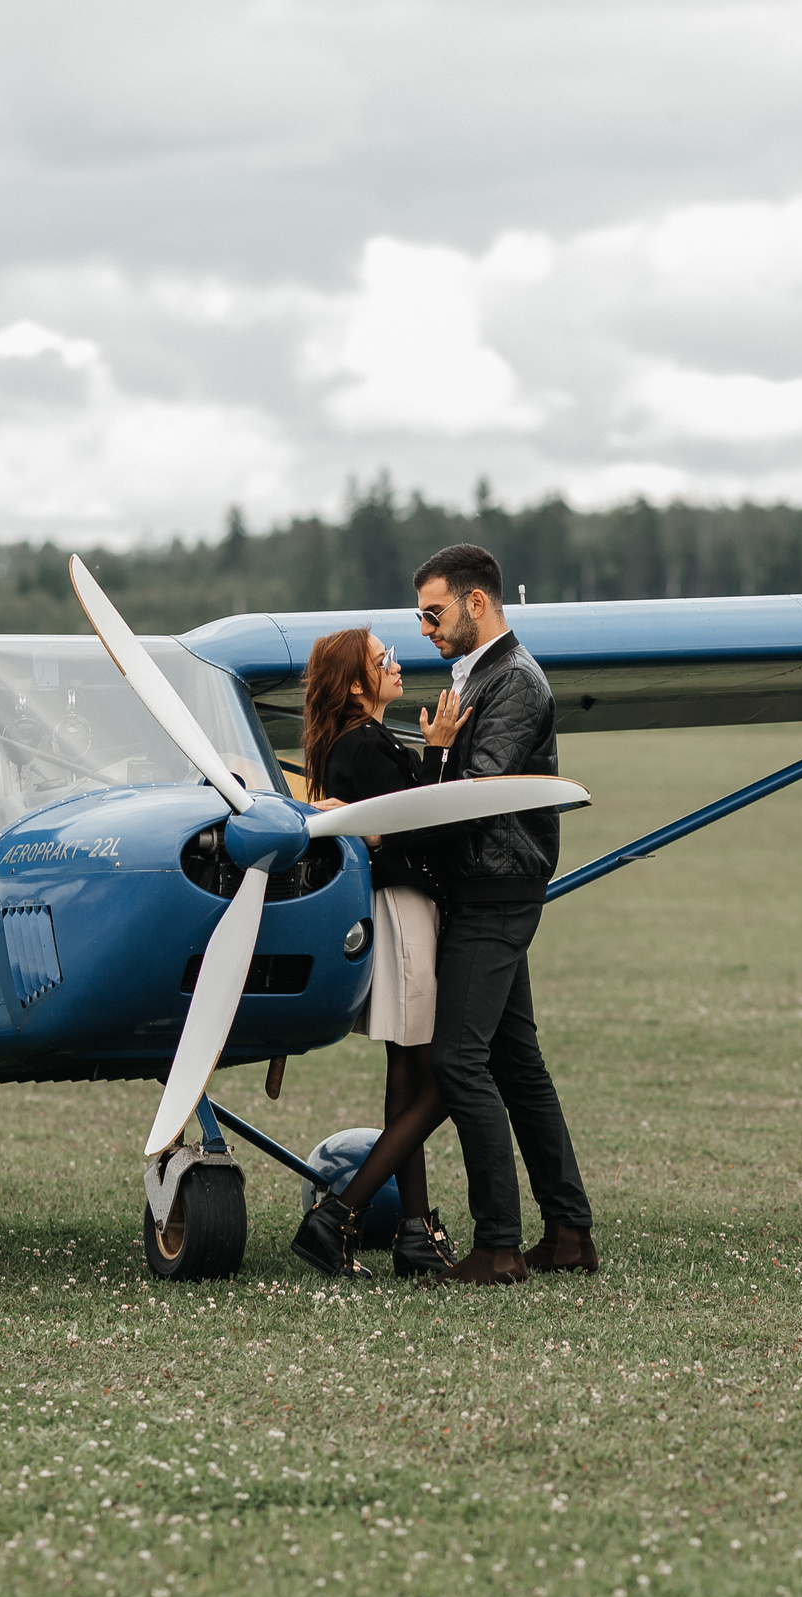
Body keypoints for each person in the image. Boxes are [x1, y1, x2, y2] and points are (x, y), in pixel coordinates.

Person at [409, 543, 599, 1285]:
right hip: (492, 884)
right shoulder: (483, 675)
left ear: (476, 602)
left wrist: (436, 757)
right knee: (518, 1064)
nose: (424, 628)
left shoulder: (513, 681)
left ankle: (497, 1245)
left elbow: (477, 789)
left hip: (495, 890)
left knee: (458, 1058)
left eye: (433, 612)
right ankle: (569, 1231)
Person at [288, 626, 467, 1280]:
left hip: (394, 909)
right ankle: (339, 1213)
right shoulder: (363, 746)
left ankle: (414, 1234)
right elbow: (420, 823)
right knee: (450, 1077)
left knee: (411, 1069)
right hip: (403, 909)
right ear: (357, 683)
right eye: (381, 657)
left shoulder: (359, 743)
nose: (395, 661)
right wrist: (441, 751)